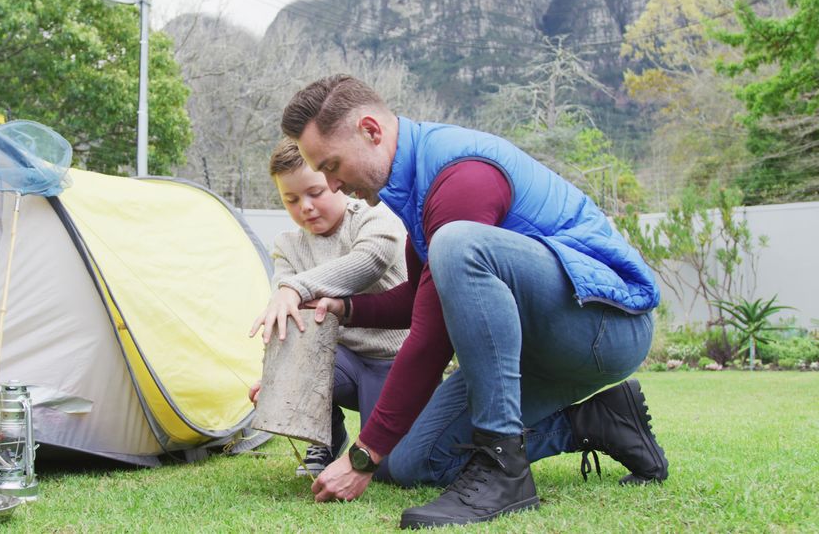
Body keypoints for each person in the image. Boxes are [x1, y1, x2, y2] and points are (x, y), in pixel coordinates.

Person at [279, 74, 668, 529]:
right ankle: (597, 421)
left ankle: (504, 472)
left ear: (370, 130)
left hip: (606, 325)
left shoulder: (459, 177)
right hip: (540, 344)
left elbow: (432, 335)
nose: (332, 184)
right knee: (406, 461)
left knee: (457, 245)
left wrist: (361, 456)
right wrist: (346, 307)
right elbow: (419, 299)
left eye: (331, 165)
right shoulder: (418, 187)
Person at [249, 137, 409, 477]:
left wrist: (295, 287)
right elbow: (284, 302)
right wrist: (278, 379)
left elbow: (370, 260)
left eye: (314, 192)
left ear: (337, 183)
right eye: (290, 199)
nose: (304, 206)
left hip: (395, 362)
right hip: (340, 362)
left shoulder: (373, 217)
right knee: (289, 319)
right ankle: (324, 437)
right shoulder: (287, 245)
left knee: (392, 468)